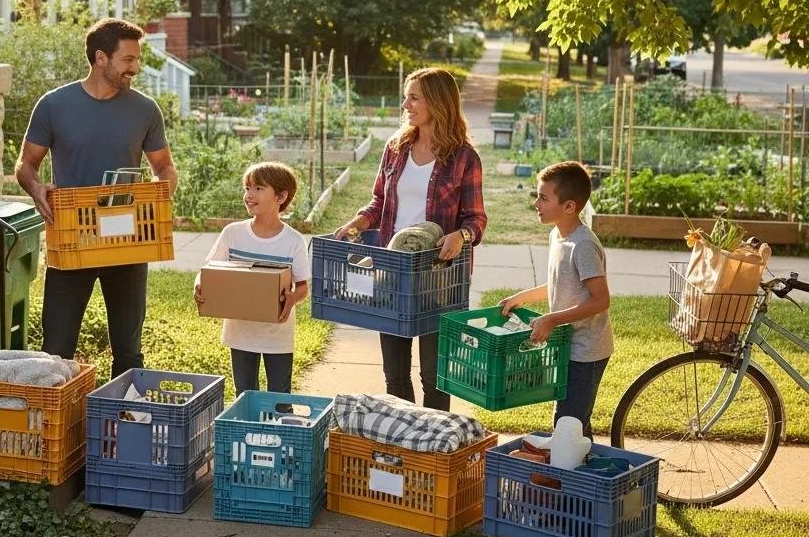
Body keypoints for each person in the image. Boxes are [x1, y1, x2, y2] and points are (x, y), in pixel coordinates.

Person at [16, 17, 178, 378]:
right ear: (101, 58)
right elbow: (26, 164)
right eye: (128, 60)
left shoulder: (144, 109)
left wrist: (156, 197)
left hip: (128, 241)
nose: (135, 68)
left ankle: (123, 424)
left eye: (136, 60)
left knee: (128, 351)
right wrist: (36, 188)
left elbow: (165, 168)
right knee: (56, 350)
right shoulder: (54, 105)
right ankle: (57, 429)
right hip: (73, 240)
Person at [333, 67, 487, 410]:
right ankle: (404, 447)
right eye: (407, 96)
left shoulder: (464, 158)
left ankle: (433, 454)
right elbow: (379, 202)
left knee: (434, 378)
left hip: (438, 277)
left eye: (413, 97)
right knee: (396, 376)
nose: (406, 104)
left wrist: (461, 235)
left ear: (437, 102)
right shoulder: (396, 148)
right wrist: (357, 223)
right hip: (393, 271)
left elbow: (476, 219)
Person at [500, 161, 612, 439]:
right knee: (572, 422)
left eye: (543, 197)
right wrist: (519, 298)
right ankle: (584, 474)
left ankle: (577, 475)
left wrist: (552, 318)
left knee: (568, 424)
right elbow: (559, 283)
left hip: (586, 350)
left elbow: (600, 300)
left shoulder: (582, 245)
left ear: (569, 207)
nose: (536, 203)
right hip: (567, 343)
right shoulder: (557, 236)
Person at [193, 162, 310, 394]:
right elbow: (210, 270)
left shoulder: (293, 241)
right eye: (247, 188)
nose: (249, 195)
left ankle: (279, 431)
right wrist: (199, 283)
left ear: (281, 196)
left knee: (279, 394)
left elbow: (303, 286)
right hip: (241, 332)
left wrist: (293, 297)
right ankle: (248, 432)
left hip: (277, 334)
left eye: (258, 188)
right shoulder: (233, 234)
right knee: (244, 392)